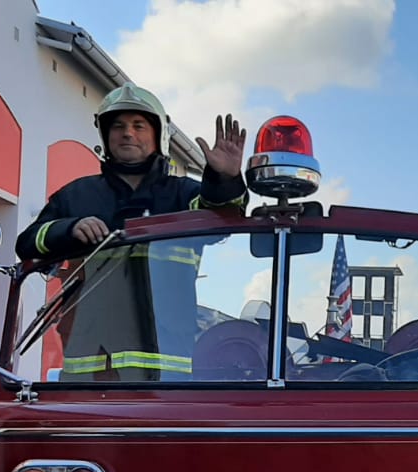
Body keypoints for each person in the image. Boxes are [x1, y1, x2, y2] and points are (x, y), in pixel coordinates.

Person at [15, 83, 250, 382]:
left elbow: (221, 218)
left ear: (158, 134)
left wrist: (224, 179)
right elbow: (27, 243)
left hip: (167, 377)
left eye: (139, 125)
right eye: (118, 126)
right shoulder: (76, 196)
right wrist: (69, 229)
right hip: (90, 378)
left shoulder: (182, 194)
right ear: (105, 135)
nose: (128, 133)